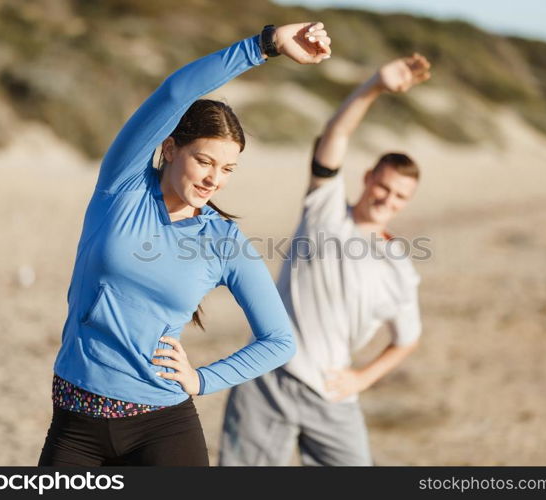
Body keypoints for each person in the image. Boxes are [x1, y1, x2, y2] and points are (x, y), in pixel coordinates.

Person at [37, 22, 334, 466]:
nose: (215, 179)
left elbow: (278, 341)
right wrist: (264, 45)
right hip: (76, 423)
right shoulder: (123, 188)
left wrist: (202, 380)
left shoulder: (222, 241)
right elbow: (175, 94)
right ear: (171, 148)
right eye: (205, 160)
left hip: (162, 427)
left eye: (228, 169)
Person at [219, 54, 431, 466]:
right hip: (266, 378)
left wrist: (360, 378)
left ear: (408, 202)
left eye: (400, 196)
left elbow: (407, 339)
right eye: (384, 186)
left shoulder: (400, 269)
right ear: (369, 177)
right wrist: (375, 86)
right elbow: (334, 136)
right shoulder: (325, 208)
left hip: (332, 391)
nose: (387, 199)